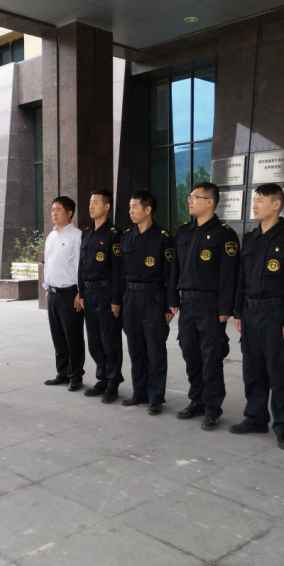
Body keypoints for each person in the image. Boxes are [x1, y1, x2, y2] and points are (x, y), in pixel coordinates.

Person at [232, 183, 284, 449]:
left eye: (260, 200)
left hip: (276, 314)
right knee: (252, 370)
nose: (254, 205)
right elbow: (241, 278)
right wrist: (238, 311)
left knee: (279, 373)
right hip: (251, 312)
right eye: (254, 200)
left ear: (276, 205)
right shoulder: (251, 238)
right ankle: (255, 417)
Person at [169, 182, 239, 430]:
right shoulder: (183, 232)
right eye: (189, 197)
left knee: (211, 356)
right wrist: (172, 299)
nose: (189, 200)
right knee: (190, 352)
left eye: (194, 197)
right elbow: (174, 269)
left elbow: (229, 275)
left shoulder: (224, 234)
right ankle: (196, 399)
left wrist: (225, 308)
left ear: (209, 202)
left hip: (210, 305)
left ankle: (212, 407)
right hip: (187, 303)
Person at [120, 190, 173, 415]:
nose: (130, 211)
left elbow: (170, 274)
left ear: (148, 209)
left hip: (153, 297)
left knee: (155, 348)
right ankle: (139, 392)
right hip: (131, 297)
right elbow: (121, 273)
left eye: (134, 207)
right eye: (129, 207)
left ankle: (155, 397)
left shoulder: (163, 237)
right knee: (136, 347)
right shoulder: (126, 237)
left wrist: (170, 304)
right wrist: (119, 300)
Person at [78, 189, 124, 404]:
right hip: (89, 293)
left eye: (95, 202)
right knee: (94, 340)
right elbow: (81, 266)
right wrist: (81, 292)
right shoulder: (86, 234)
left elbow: (118, 270)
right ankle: (102, 378)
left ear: (106, 207)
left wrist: (116, 299)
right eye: (90, 202)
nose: (91, 206)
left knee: (109, 339)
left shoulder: (114, 234)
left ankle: (113, 382)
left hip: (106, 293)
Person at [43, 196, 85, 391]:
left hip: (70, 293)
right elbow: (48, 264)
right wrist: (47, 287)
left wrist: (80, 292)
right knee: (58, 336)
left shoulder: (77, 236)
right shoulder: (51, 236)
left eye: (58, 210)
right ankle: (62, 373)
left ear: (69, 213)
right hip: (52, 293)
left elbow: (81, 266)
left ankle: (75, 375)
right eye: (52, 209)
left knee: (73, 336)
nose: (54, 213)